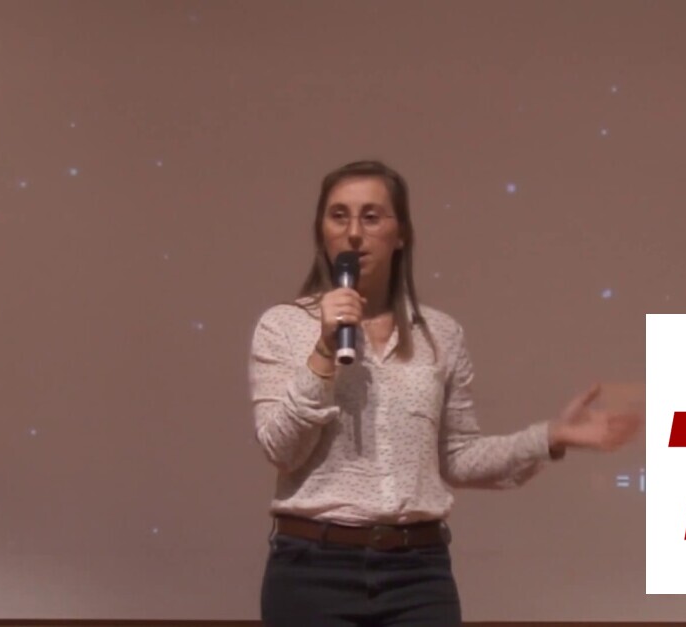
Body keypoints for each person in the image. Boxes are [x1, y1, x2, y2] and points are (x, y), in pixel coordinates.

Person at [248, 160, 639, 627]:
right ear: (321, 231)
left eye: (371, 217)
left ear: (401, 234)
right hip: (312, 571)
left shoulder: (440, 335)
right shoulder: (283, 327)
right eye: (338, 216)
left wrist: (551, 437)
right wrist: (324, 349)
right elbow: (281, 449)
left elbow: (458, 457)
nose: (353, 233)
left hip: (417, 574)